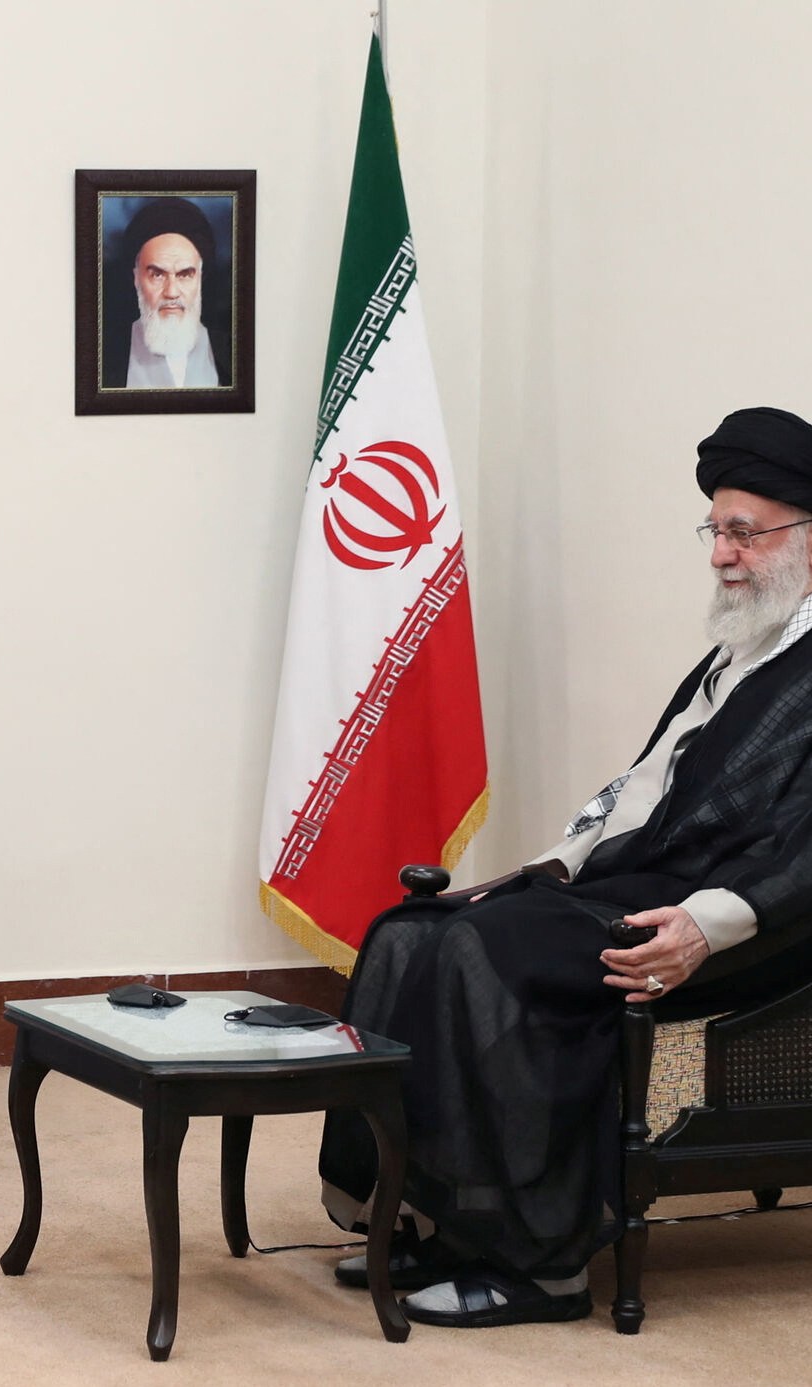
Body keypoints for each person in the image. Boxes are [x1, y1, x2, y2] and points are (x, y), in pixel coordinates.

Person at [318, 405, 812, 1327]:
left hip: (750, 924)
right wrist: (547, 868)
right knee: (410, 931)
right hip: (651, 883)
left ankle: (539, 1263)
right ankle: (430, 1214)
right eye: (715, 530)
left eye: (745, 533)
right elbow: (641, 786)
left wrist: (705, 926)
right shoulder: (746, 648)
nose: (721, 554)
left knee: (490, 952)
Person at [118, 197, 225, 389]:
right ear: (136, 278)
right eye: (157, 275)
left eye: (185, 275)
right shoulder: (106, 355)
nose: (172, 292)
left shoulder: (230, 353)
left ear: (200, 278)